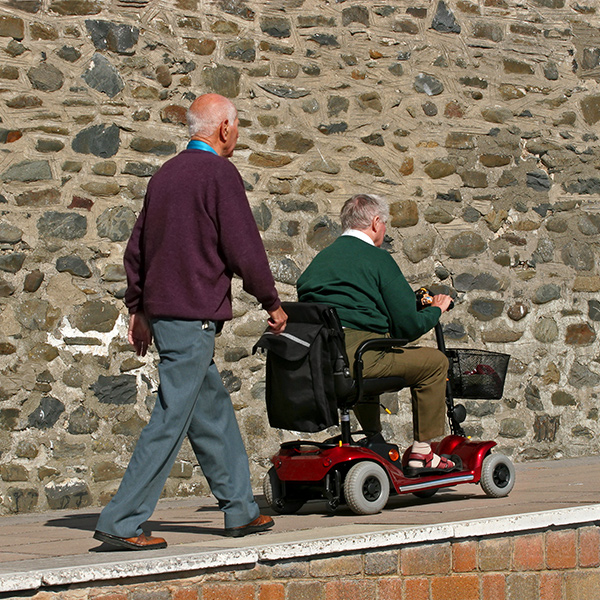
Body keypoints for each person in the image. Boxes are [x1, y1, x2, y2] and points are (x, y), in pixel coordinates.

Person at [94, 93, 287, 550]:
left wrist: (139, 309)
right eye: (237, 126)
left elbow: (136, 248)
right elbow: (244, 246)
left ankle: (239, 510)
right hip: (192, 315)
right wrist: (271, 301)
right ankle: (121, 521)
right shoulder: (219, 173)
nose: (237, 134)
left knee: (211, 412)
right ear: (224, 129)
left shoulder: (165, 175)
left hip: (165, 315)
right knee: (171, 416)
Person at [296, 193, 457, 475]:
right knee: (435, 363)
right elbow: (407, 328)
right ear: (375, 222)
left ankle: (373, 438)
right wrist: (437, 310)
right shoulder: (377, 259)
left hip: (320, 360)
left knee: (364, 366)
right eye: (385, 224)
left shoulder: (319, 262)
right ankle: (422, 453)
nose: (384, 230)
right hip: (360, 355)